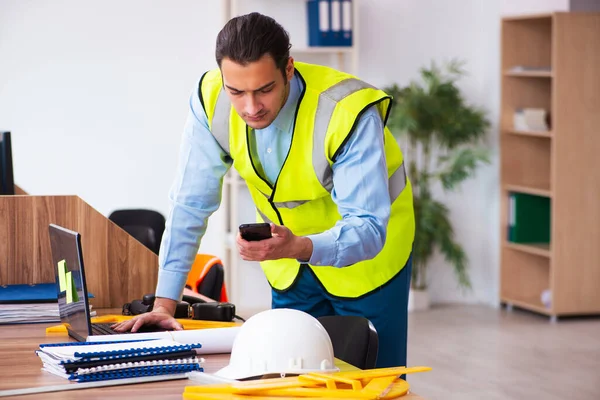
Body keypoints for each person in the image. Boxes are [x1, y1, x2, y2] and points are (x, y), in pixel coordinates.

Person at [113, 12, 415, 369]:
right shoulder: (211, 100)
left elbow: (367, 226)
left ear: (288, 68)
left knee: (373, 384)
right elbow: (189, 205)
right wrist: (164, 303)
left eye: (264, 90)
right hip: (288, 265)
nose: (250, 107)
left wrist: (300, 245)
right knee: (288, 377)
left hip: (368, 262)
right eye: (237, 91)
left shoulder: (347, 111)